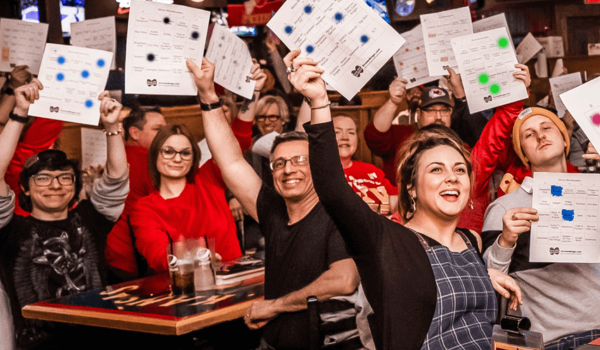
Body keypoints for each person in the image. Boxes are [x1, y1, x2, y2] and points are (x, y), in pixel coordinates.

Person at [284, 49, 521, 350]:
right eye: (436, 169)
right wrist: (319, 102)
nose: (452, 177)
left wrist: (484, 274)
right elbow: (332, 188)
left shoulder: (470, 241)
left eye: (460, 169)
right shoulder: (386, 241)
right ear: (410, 187)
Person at [187, 56, 363, 350]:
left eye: (299, 161)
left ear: (318, 167)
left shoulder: (338, 213)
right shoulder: (273, 210)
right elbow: (229, 160)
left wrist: (275, 306)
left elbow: (343, 279)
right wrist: (207, 96)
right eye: (279, 163)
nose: (288, 169)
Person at [0, 80, 129, 349]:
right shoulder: (11, 229)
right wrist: (19, 113)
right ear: (25, 186)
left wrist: (112, 128)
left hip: (102, 340)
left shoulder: (90, 219)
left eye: (64, 178)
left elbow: (116, 179)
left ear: (75, 186)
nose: (55, 185)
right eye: (43, 178)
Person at [129, 63, 266, 273]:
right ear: (155, 155)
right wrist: (192, 259)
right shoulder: (146, 208)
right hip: (187, 291)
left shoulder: (208, 180)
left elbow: (236, 143)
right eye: (168, 151)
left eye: (185, 152)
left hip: (235, 282)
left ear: (194, 159)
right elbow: (155, 252)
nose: (177, 158)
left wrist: (253, 93)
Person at [482, 107, 600, 349]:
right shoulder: (505, 208)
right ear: (523, 153)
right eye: (528, 134)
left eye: (546, 128)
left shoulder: (593, 193)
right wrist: (505, 241)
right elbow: (490, 280)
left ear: (564, 139)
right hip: (554, 339)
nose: (540, 135)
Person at [104, 106, 166, 279]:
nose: (165, 136)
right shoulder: (149, 161)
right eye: (157, 130)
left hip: (114, 251)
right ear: (134, 133)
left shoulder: (117, 156)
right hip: (133, 254)